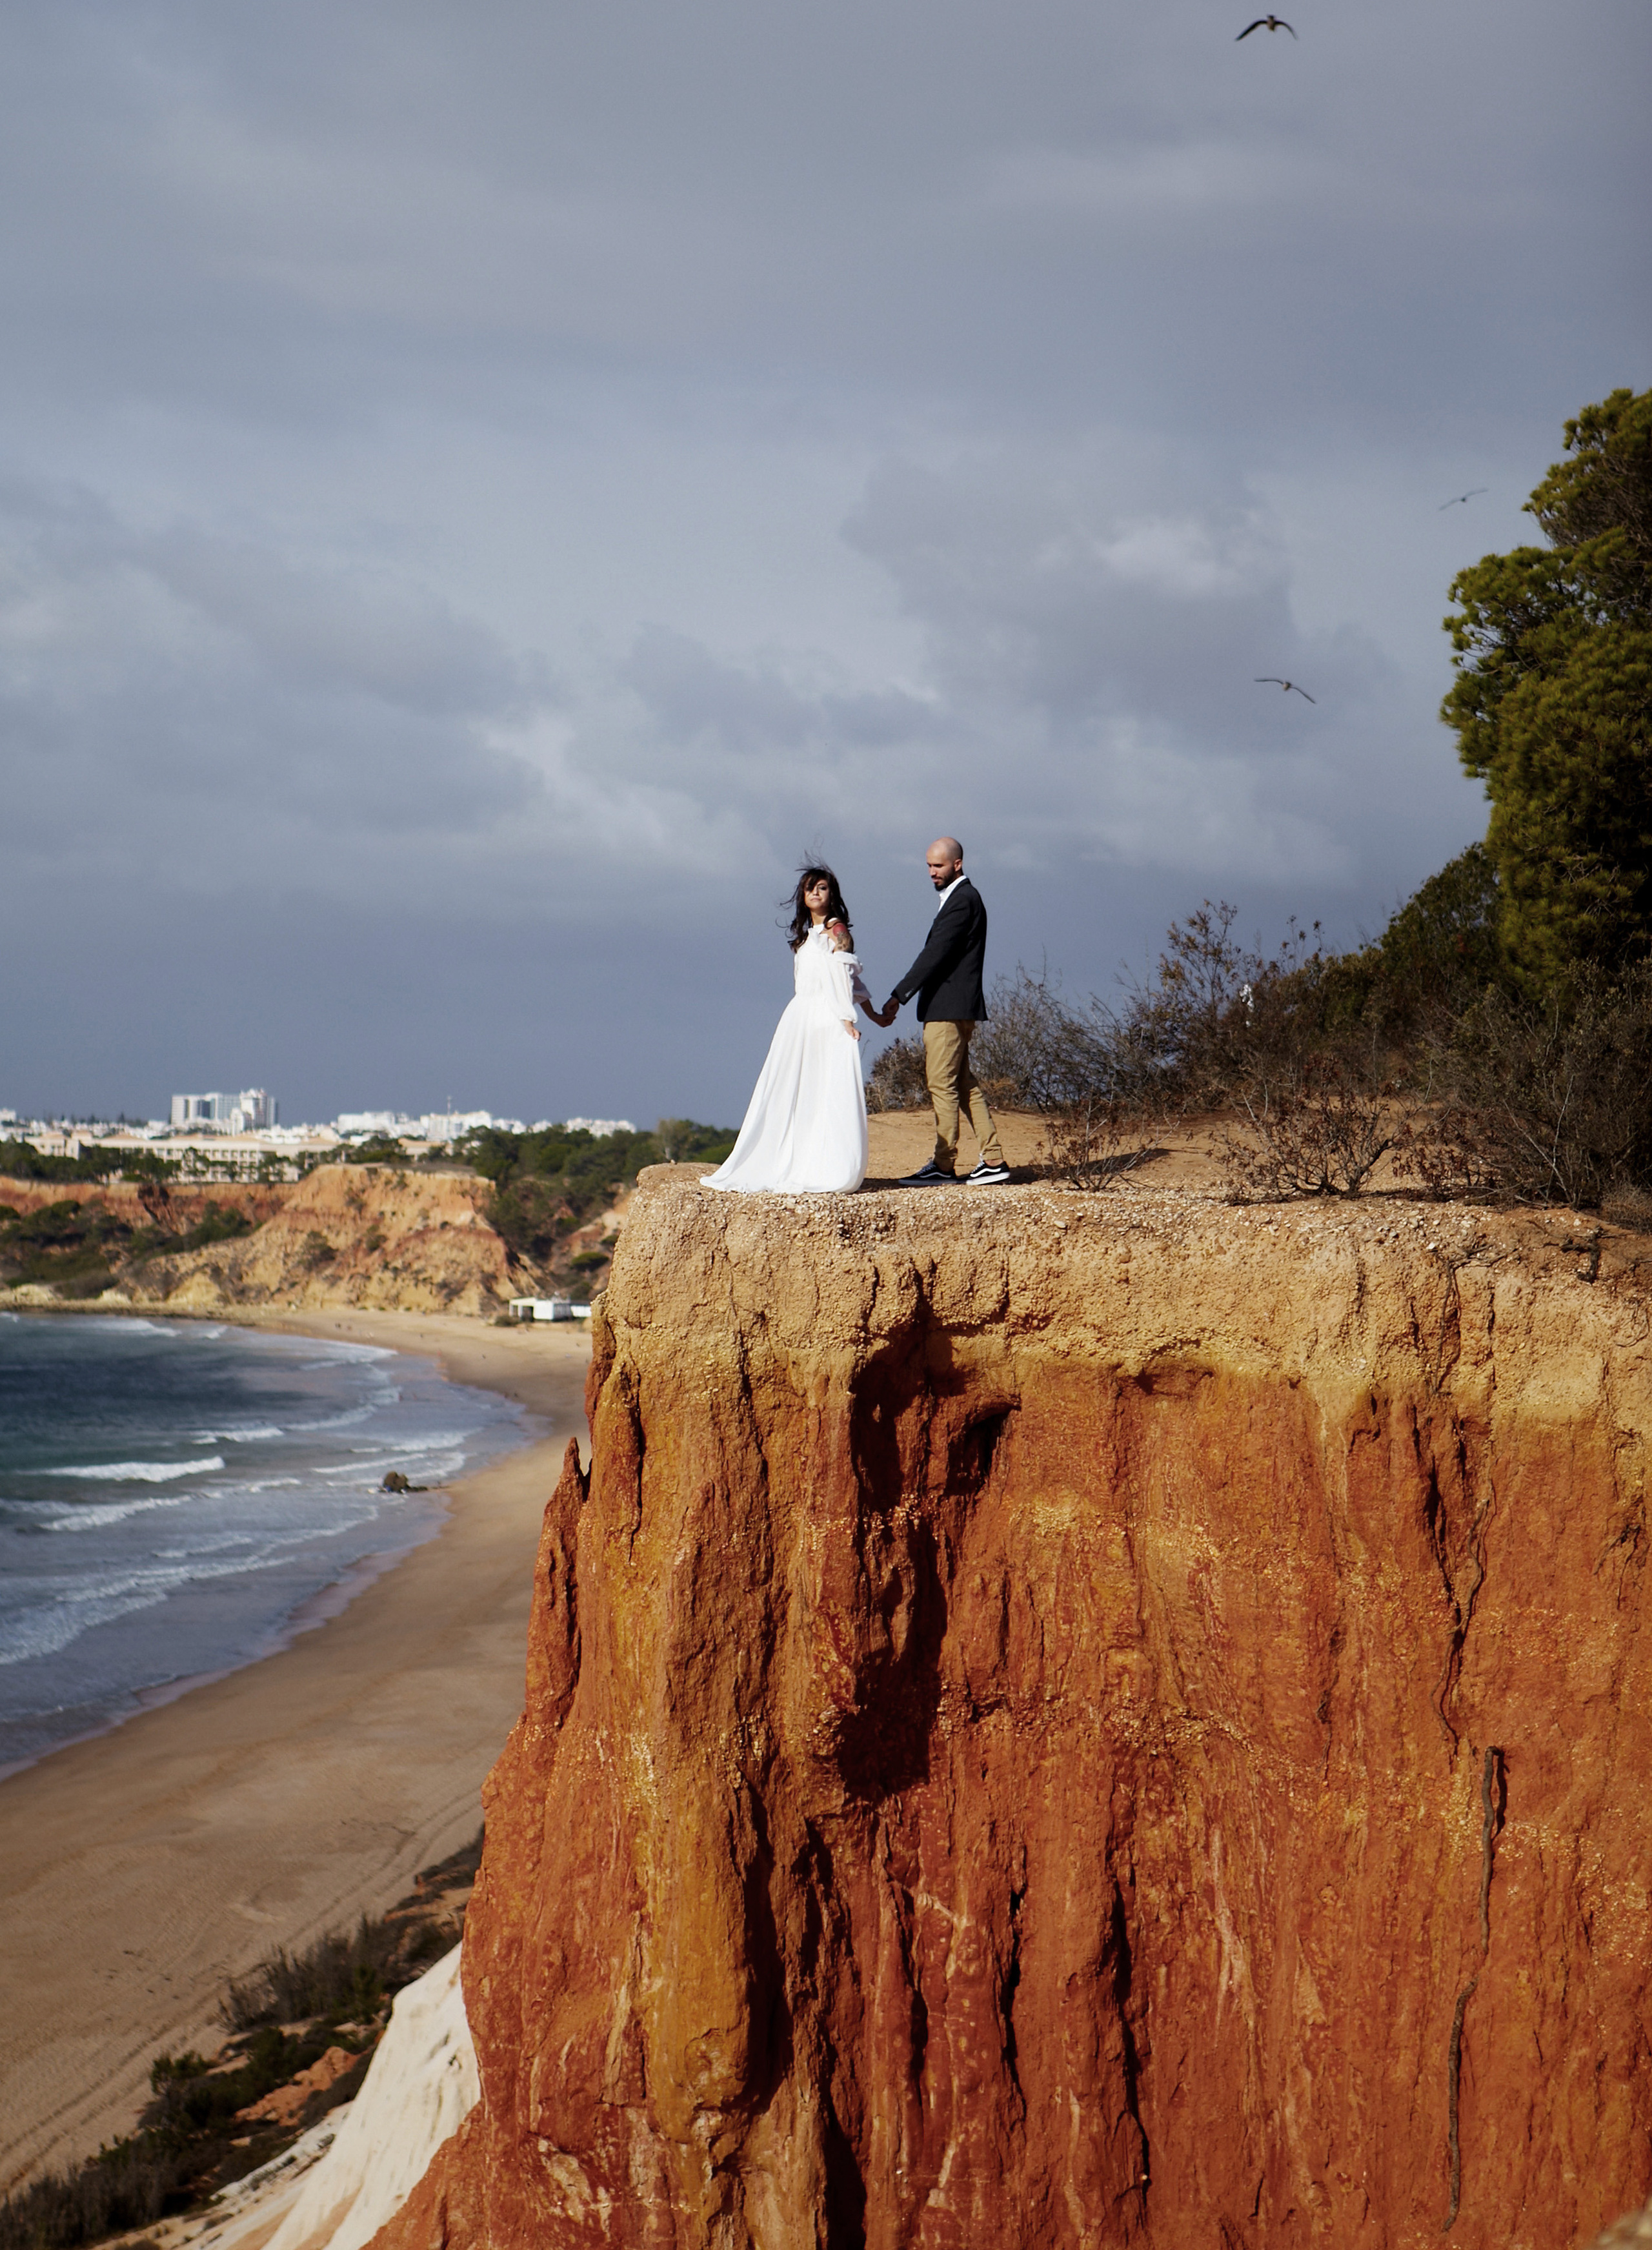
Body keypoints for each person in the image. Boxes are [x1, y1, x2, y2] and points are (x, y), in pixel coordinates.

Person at [703, 864, 885, 1195]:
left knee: (824, 1090)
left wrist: (852, 1017)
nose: (816, 892)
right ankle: (791, 1159)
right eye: (810, 888)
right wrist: (871, 1012)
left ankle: (824, 1163)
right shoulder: (805, 937)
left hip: (827, 1017)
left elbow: (846, 968)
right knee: (793, 1088)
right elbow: (848, 979)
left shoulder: (835, 927)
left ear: (832, 895)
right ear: (803, 897)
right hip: (800, 1018)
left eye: (823, 888)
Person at [873, 837, 1010, 1186]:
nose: (933, 873)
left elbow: (936, 954)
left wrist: (899, 995)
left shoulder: (963, 900)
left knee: (942, 1084)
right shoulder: (960, 899)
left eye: (939, 866)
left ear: (958, 864)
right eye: (930, 866)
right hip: (955, 1008)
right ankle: (993, 1159)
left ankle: (943, 1164)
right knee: (964, 1084)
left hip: (948, 1010)